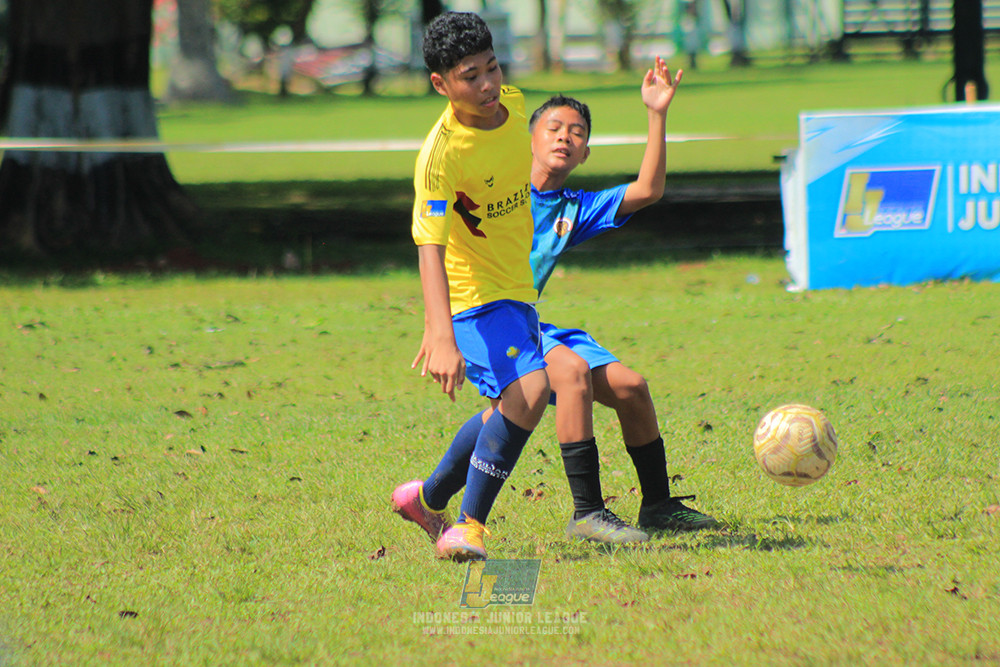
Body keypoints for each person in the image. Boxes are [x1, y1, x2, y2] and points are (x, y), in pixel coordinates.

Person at [528, 57, 718, 544]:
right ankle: (587, 512)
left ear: (585, 153)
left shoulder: (573, 209)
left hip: (531, 326)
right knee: (558, 383)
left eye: (576, 132)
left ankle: (657, 506)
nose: (564, 137)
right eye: (553, 127)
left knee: (632, 388)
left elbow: (648, 190)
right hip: (490, 324)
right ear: (529, 138)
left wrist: (657, 113)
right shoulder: (501, 192)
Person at [390, 12, 550, 562]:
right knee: (531, 392)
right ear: (441, 83)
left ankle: (425, 497)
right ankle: (467, 526)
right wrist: (440, 333)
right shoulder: (440, 156)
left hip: (517, 287)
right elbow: (428, 245)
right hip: (473, 295)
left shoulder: (518, 104)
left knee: (502, 413)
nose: (486, 85)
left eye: (491, 68)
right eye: (469, 76)